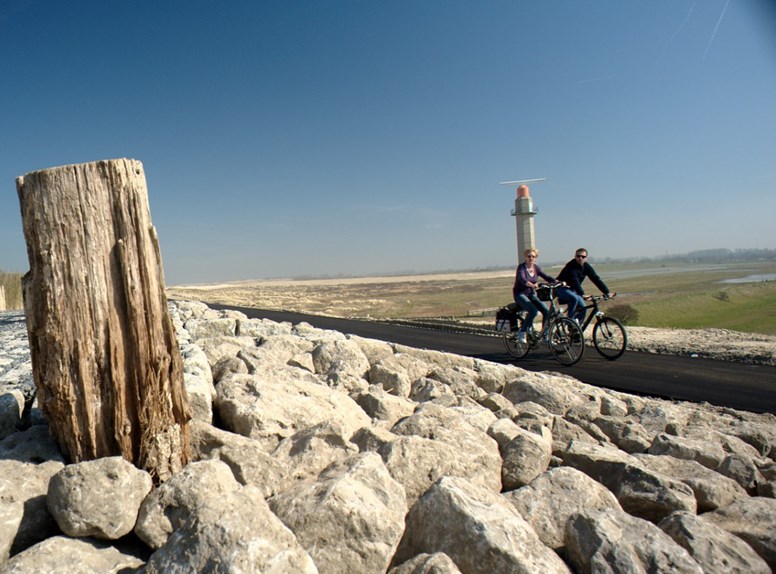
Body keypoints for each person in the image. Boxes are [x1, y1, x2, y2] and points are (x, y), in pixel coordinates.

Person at [512, 248, 558, 343]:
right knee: (533, 311)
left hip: (531, 294)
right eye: (529, 256)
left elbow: (546, 276)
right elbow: (522, 279)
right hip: (520, 294)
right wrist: (531, 284)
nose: (531, 258)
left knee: (546, 311)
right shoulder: (521, 267)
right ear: (525, 257)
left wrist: (558, 282)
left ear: (536, 258)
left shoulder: (536, 268)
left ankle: (545, 334)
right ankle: (522, 331)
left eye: (533, 256)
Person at [556, 248, 610, 325]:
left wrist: (606, 291)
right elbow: (574, 281)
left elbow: (595, 279)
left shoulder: (586, 266)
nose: (580, 258)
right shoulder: (571, 265)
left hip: (573, 290)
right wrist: (582, 294)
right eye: (578, 256)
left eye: (583, 256)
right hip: (561, 288)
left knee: (583, 308)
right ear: (575, 256)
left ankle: (576, 330)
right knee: (573, 298)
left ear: (586, 258)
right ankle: (569, 322)